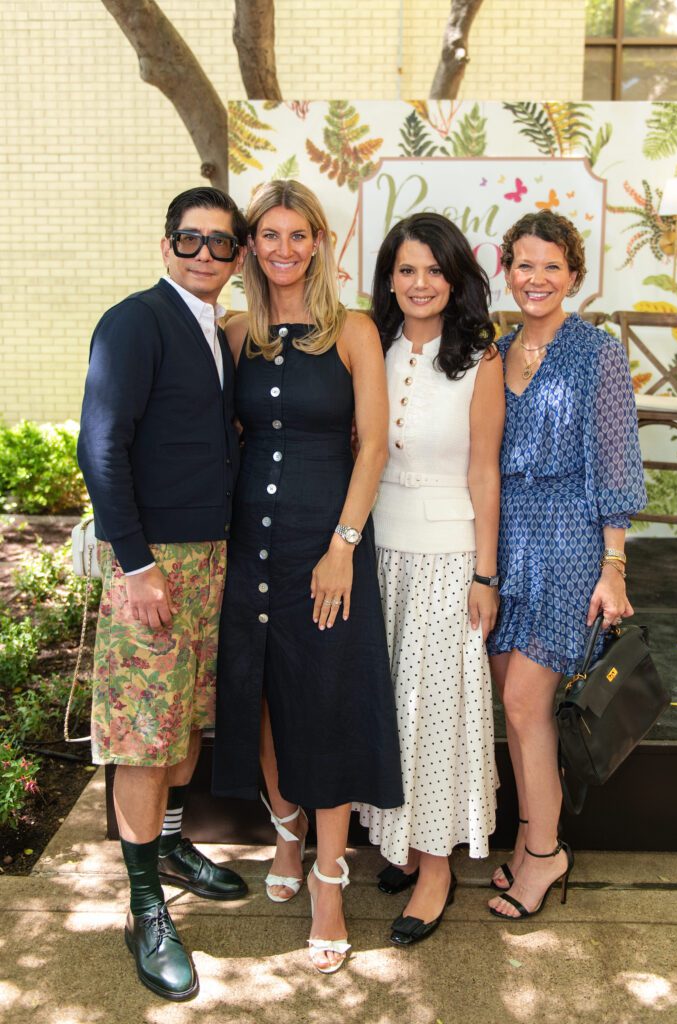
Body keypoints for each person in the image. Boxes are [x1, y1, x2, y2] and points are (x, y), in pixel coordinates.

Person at [212, 179, 403, 974]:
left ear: (319, 242)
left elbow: (373, 445)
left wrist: (342, 545)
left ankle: (329, 877)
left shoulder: (352, 330)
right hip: (248, 545)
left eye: (297, 235)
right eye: (269, 235)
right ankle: (285, 833)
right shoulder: (235, 332)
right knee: (260, 692)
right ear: (251, 247)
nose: (283, 249)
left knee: (323, 700)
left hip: (326, 545)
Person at [77, 187, 249, 1001]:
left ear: (237, 257)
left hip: (212, 556)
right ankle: (144, 907)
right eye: (190, 239)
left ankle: (171, 846)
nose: (204, 254)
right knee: (144, 739)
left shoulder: (214, 329)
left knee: (182, 724)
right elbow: (100, 445)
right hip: (154, 564)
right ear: (165, 244)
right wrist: (136, 564)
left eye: (220, 243)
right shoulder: (135, 322)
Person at [486, 210, 646, 919]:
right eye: (524, 263)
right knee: (519, 711)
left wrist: (613, 564)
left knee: (526, 704)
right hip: (505, 541)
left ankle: (545, 854)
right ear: (506, 270)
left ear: (573, 276)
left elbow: (616, 461)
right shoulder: (494, 352)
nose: (537, 277)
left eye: (552, 266)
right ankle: (531, 841)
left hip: (570, 542)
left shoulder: (596, 352)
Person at [355, 212, 504, 946]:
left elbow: (485, 471)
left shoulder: (480, 356)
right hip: (378, 551)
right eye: (407, 270)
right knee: (390, 708)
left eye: (435, 271)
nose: (420, 284)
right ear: (389, 278)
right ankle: (406, 843)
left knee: (437, 712)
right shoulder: (368, 345)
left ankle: (437, 867)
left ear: (455, 279)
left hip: (449, 557)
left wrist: (485, 573)